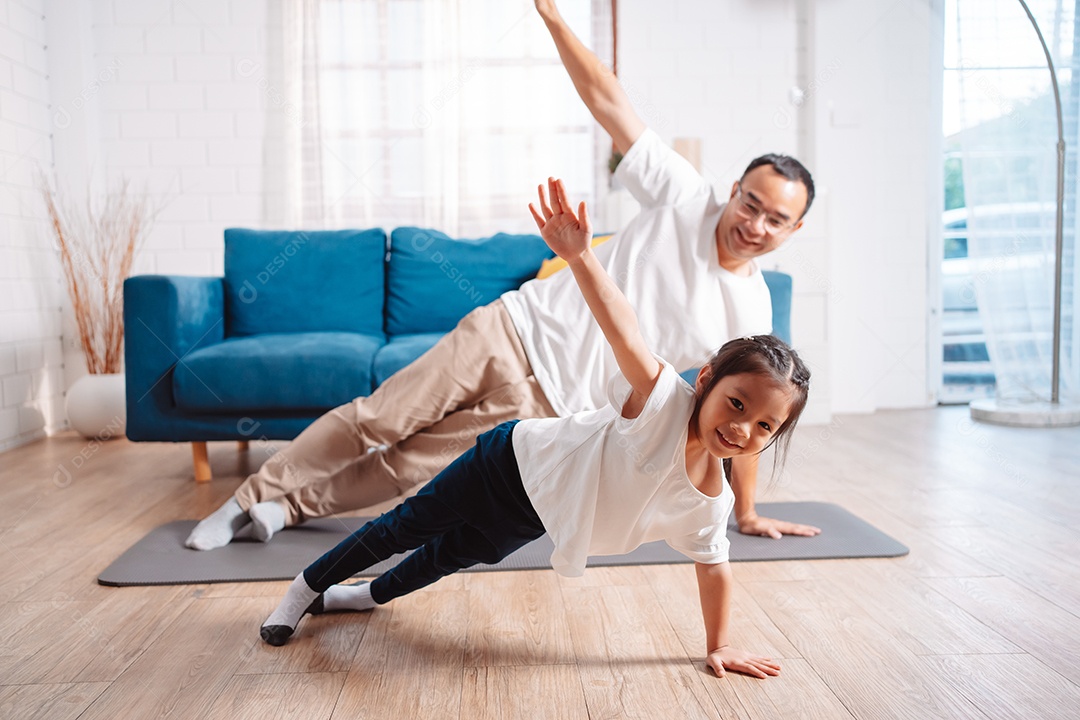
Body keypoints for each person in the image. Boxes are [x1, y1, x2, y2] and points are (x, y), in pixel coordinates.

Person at [184, 0, 820, 552]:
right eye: (751, 204)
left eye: (776, 220)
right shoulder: (684, 195)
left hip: (556, 401)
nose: (756, 225)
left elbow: (743, 413)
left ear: (793, 231)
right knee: (377, 419)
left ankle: (286, 510)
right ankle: (245, 499)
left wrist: (746, 512)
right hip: (513, 330)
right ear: (733, 191)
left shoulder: (750, 314)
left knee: (409, 467)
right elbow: (607, 100)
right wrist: (552, 16)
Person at [259, 182, 810, 680]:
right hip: (509, 462)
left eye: (764, 425)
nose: (741, 428)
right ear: (706, 379)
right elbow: (622, 328)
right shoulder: (662, 399)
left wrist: (720, 644)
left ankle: (362, 597)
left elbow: (714, 570)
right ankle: (305, 586)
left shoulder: (711, 500)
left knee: (444, 558)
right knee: (403, 528)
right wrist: (580, 257)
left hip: (539, 512)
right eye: (736, 404)